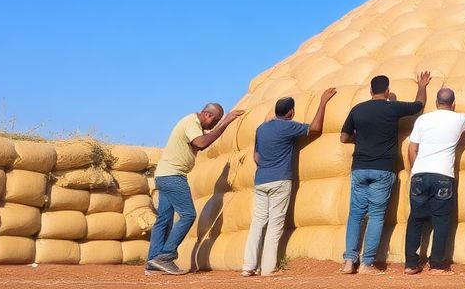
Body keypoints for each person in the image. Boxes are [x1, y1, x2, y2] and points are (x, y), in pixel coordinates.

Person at [339, 71, 430, 274]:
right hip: (383, 168)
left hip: (360, 168)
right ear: (387, 91)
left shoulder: (358, 109)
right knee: (377, 215)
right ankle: (367, 263)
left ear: (370, 91)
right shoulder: (392, 108)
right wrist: (422, 86)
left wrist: (360, 140)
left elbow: (344, 137)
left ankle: (348, 261)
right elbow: (419, 106)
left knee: (355, 215)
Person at [241, 88, 338, 277]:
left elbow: (256, 156)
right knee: (275, 223)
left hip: (261, 180)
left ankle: (248, 266)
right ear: (291, 112)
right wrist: (323, 102)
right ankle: (268, 268)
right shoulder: (288, 126)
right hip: (280, 180)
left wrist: (267, 165)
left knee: (258, 223)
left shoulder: (261, 129)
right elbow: (315, 129)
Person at [146, 103, 245, 275]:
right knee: (188, 214)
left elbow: (202, 139)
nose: (210, 128)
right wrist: (226, 122)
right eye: (214, 123)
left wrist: (222, 123)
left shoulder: (191, 122)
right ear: (208, 115)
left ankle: (153, 262)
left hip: (164, 175)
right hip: (173, 176)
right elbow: (201, 143)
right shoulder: (192, 122)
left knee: (164, 219)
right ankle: (166, 256)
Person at [403, 79, 465, 275]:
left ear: (435, 102)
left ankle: (410, 264)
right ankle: (437, 265)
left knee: (415, 219)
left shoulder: (422, 120)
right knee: (441, 220)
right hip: (443, 175)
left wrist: (416, 169)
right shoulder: (457, 119)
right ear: (454, 104)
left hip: (420, 174)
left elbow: (412, 147)